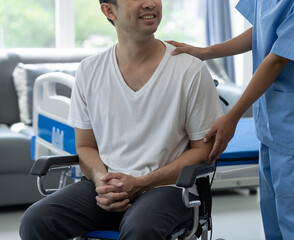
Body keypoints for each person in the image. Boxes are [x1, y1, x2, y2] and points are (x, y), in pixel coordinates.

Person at [19, 0, 223, 239]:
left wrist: (142, 182)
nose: (150, 4)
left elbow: (203, 151)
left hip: (167, 188)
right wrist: (101, 182)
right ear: (108, 10)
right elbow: (85, 145)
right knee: (36, 221)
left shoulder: (190, 70)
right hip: (106, 186)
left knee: (141, 231)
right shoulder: (89, 70)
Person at [168, 0, 294, 239]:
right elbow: (261, 31)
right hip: (274, 126)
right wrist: (206, 52)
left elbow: (278, 57)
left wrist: (232, 116)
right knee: (276, 226)